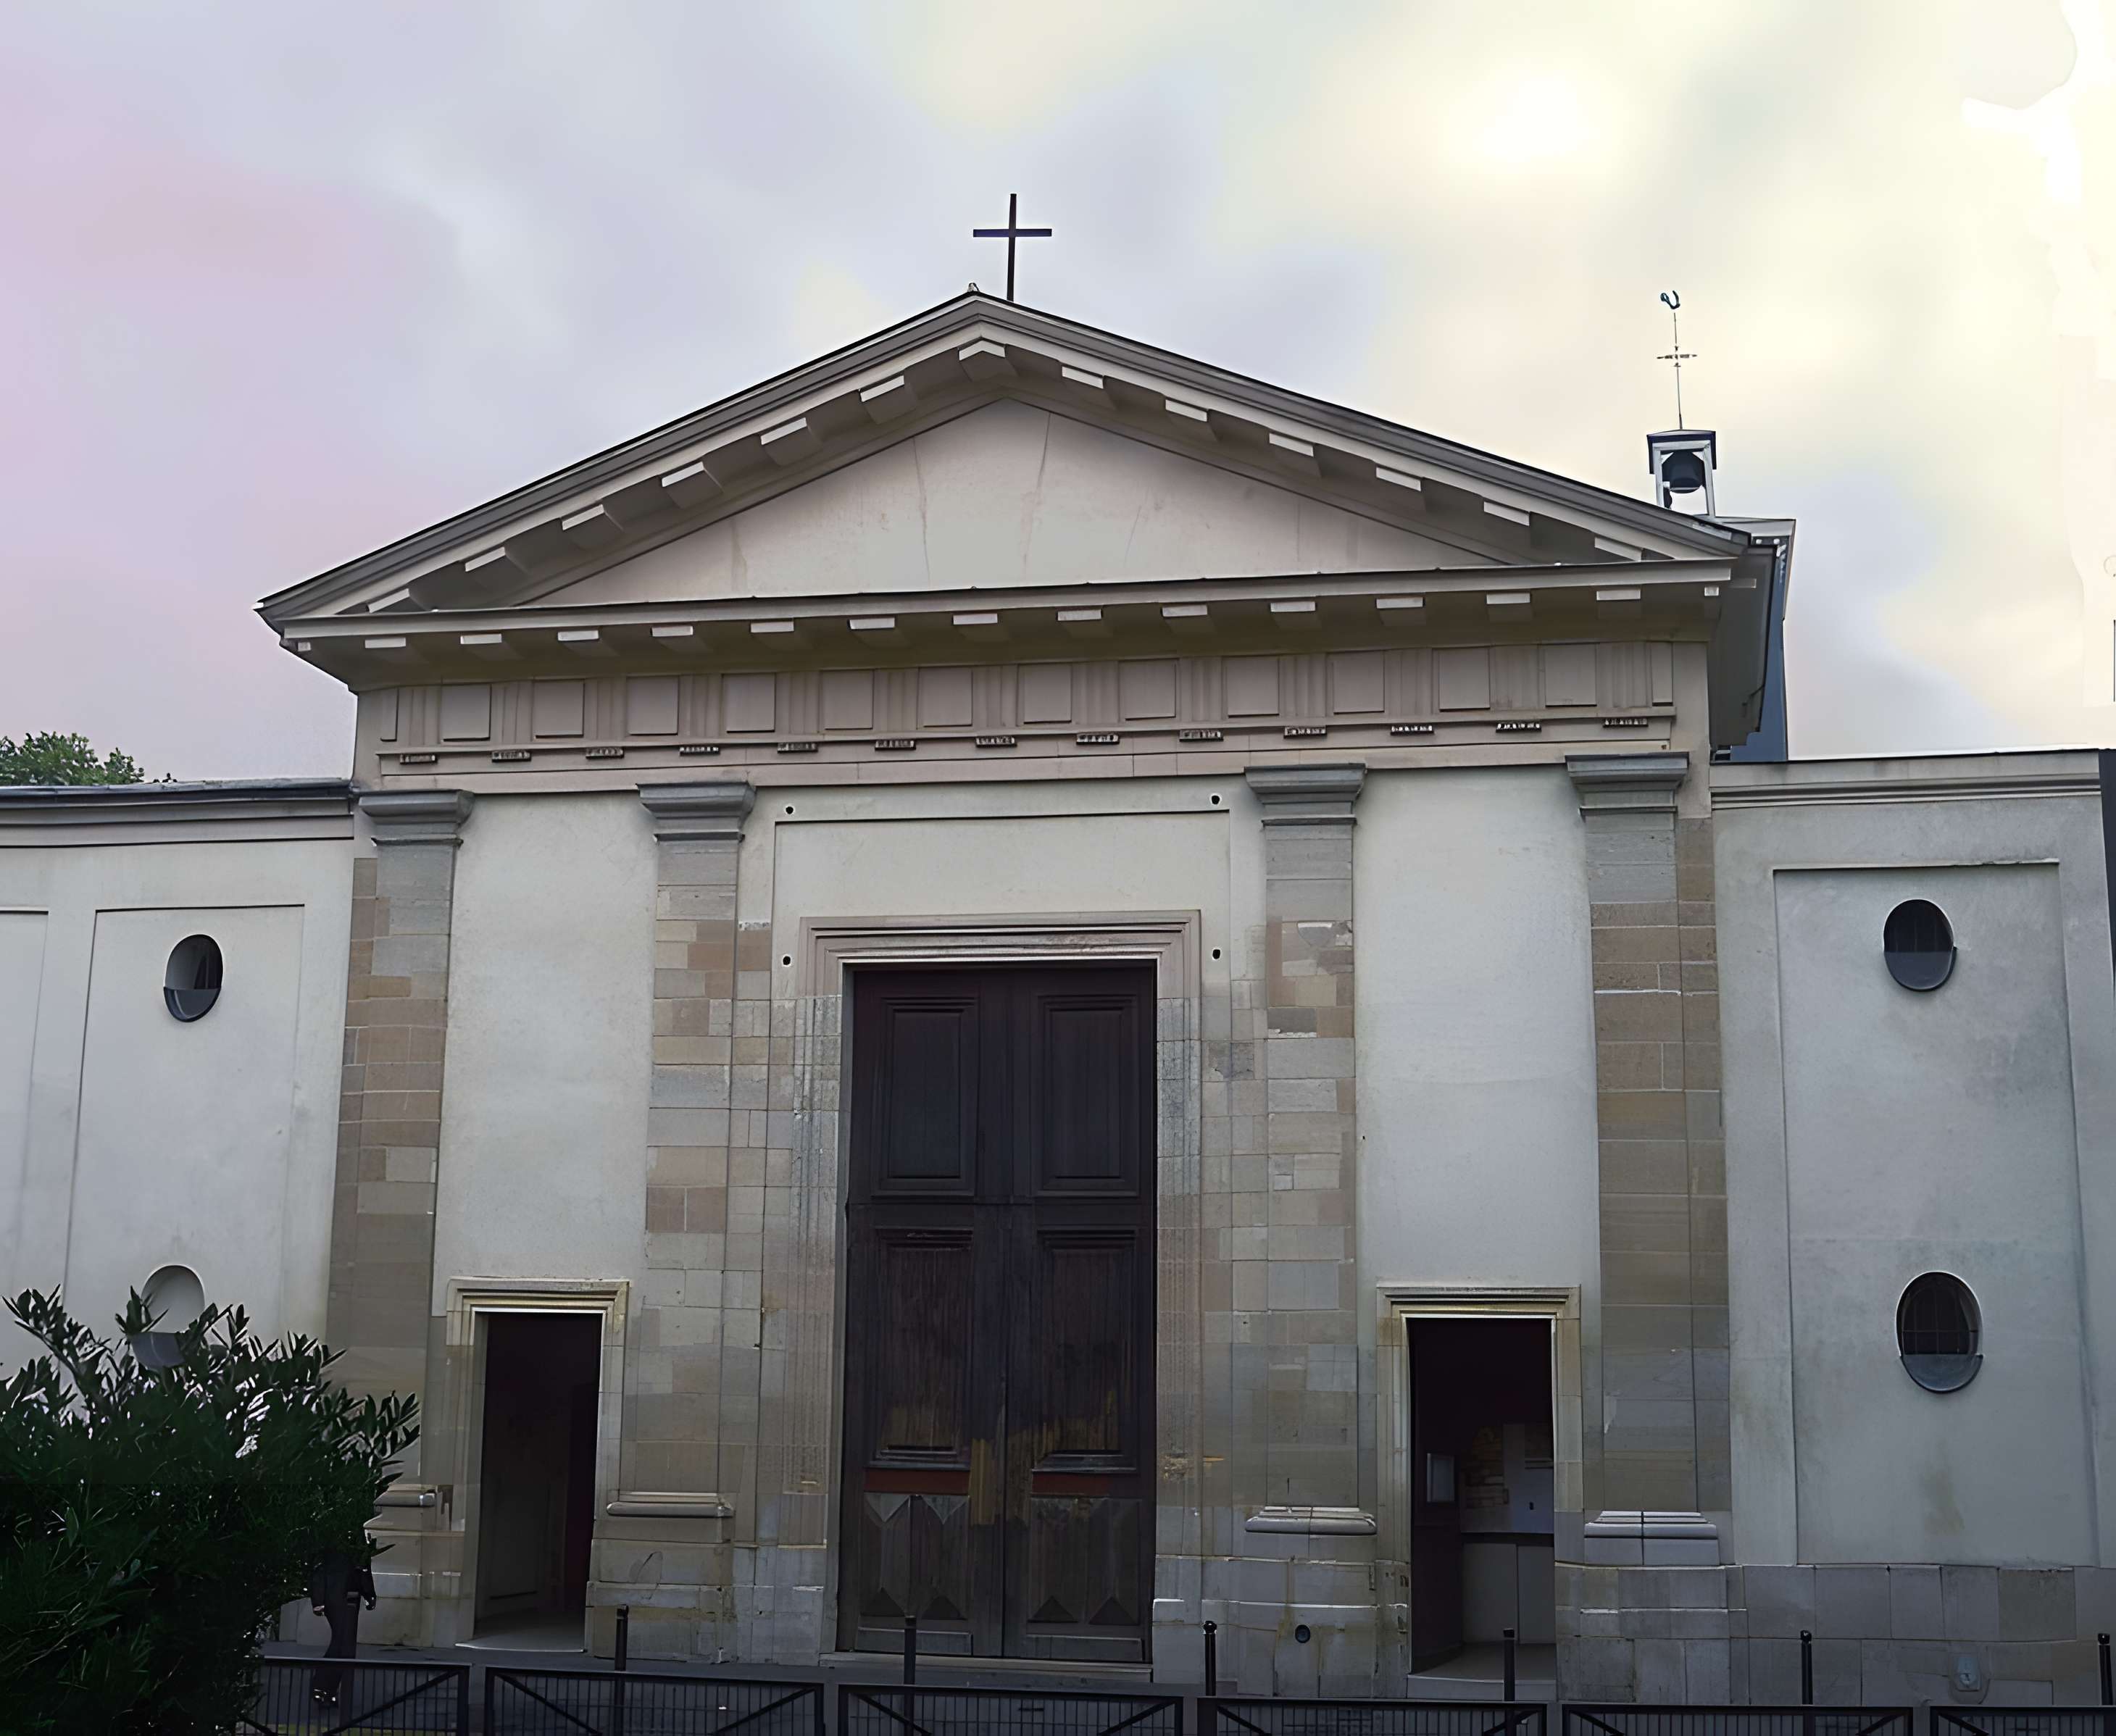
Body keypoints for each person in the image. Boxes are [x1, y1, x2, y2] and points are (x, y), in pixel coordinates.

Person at [307, 1541, 378, 1708]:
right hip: (347, 1596)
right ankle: (324, 1687)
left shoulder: (333, 1538)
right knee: (343, 1645)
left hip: (338, 1595)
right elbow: (361, 1569)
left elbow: (319, 1567)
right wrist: (369, 1594)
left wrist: (318, 1599)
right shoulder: (350, 1540)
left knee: (340, 1643)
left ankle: (325, 1688)